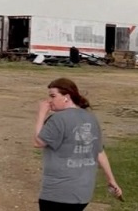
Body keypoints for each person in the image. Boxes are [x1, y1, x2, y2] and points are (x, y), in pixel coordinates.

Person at [33, 77, 122, 211]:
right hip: (83, 193)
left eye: (53, 96)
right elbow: (99, 152)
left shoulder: (58, 119)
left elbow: (38, 142)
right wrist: (111, 179)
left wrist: (41, 114)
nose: (49, 101)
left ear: (66, 97)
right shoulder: (90, 118)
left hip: (58, 193)